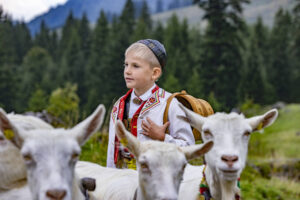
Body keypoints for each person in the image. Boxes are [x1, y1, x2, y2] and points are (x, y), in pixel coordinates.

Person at [106, 39, 195, 168]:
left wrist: (163, 138)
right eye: (126, 65)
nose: (127, 71)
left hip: (157, 183)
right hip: (123, 183)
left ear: (155, 73)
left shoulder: (170, 105)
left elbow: (189, 149)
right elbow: (111, 151)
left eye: (135, 66)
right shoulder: (118, 106)